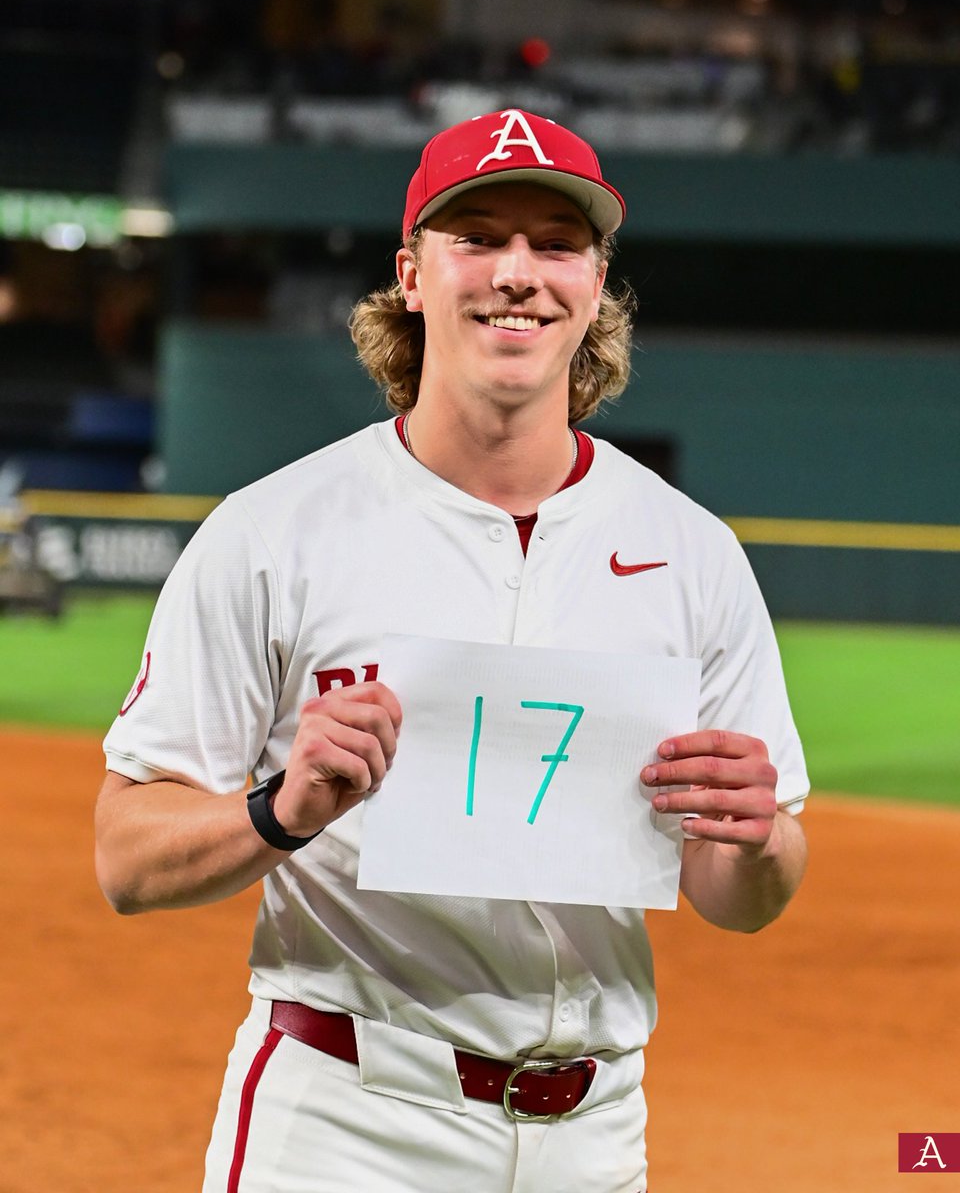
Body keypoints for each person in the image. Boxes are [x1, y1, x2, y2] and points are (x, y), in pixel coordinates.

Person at [95, 107, 809, 1193]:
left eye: (556, 243)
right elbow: (125, 857)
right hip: (347, 1128)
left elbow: (744, 893)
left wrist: (754, 841)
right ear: (412, 276)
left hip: (599, 1133)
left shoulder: (690, 553)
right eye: (479, 236)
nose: (519, 271)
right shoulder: (271, 532)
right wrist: (279, 809)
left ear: (595, 282)